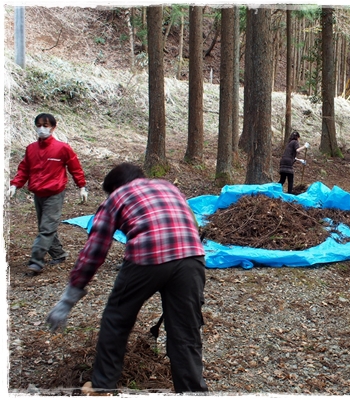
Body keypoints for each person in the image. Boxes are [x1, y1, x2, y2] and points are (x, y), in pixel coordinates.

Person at [45, 162, 208, 394]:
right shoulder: (168, 187)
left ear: (114, 187)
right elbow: (192, 224)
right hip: (192, 257)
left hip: (147, 255)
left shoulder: (117, 196)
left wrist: (69, 298)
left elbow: (95, 250)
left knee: (116, 320)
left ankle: (102, 387)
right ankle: (193, 392)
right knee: (185, 332)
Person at [9, 113, 88, 276]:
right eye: (39, 125)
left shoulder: (62, 148)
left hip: (55, 193)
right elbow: (24, 169)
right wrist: (15, 185)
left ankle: (36, 262)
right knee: (46, 227)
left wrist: (82, 187)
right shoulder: (31, 148)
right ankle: (59, 253)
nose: (42, 129)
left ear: (53, 127)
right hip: (38, 192)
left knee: (46, 228)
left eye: (45, 125)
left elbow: (75, 168)